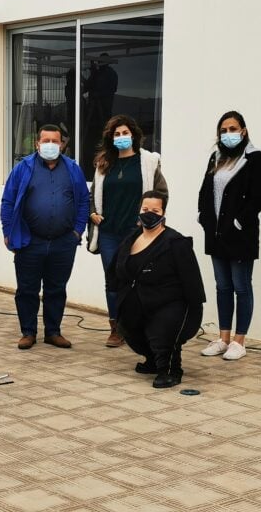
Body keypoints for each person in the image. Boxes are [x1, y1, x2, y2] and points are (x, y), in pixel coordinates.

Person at [0, 124, 89, 350]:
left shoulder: (72, 169)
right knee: (27, 289)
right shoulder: (23, 168)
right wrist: (8, 231)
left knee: (56, 289)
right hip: (30, 241)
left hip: (63, 242)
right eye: (46, 141)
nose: (50, 145)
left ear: (62, 144)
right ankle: (28, 332)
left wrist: (77, 231)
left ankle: (53, 332)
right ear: (37, 144)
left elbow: (83, 202)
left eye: (55, 141)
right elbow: (8, 201)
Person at [108, 191, 205, 388]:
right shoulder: (130, 239)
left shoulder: (176, 243)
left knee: (162, 332)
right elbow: (115, 271)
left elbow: (192, 282)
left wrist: (192, 313)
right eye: (145, 209)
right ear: (139, 211)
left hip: (169, 303)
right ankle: (153, 360)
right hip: (137, 302)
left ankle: (169, 370)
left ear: (163, 212)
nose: (149, 214)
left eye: (155, 210)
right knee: (130, 331)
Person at [88, 114, 168, 347]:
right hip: (109, 233)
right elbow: (93, 195)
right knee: (113, 280)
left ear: (133, 135)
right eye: (117, 134)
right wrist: (92, 213)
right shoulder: (104, 163)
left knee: (139, 280)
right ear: (111, 138)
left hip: (137, 234)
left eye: (125, 133)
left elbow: (161, 194)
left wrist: (150, 219)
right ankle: (116, 328)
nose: (121, 137)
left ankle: (138, 325)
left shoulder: (148, 162)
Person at [198, 111, 261, 361]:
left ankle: (239, 340)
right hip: (216, 235)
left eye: (233, 128)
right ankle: (223, 338)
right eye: (224, 130)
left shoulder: (254, 158)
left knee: (241, 286)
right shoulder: (216, 158)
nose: (228, 134)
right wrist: (203, 216)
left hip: (240, 235)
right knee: (222, 287)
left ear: (243, 130)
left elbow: (260, 198)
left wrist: (239, 221)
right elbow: (206, 190)